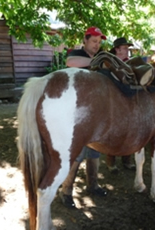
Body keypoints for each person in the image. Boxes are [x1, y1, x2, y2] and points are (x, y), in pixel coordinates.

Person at [60, 26, 108, 208]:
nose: (97, 45)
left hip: (96, 110)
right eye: (94, 41)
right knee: (78, 151)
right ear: (86, 40)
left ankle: (92, 185)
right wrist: (96, 60)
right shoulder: (78, 53)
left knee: (95, 149)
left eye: (99, 42)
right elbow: (70, 61)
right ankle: (66, 191)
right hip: (77, 111)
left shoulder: (101, 56)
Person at [105, 37, 136, 173]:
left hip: (129, 101)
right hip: (113, 101)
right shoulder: (109, 62)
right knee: (114, 131)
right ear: (117, 49)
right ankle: (111, 161)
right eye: (125, 48)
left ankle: (127, 159)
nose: (127, 51)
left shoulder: (130, 63)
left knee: (129, 130)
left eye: (128, 49)